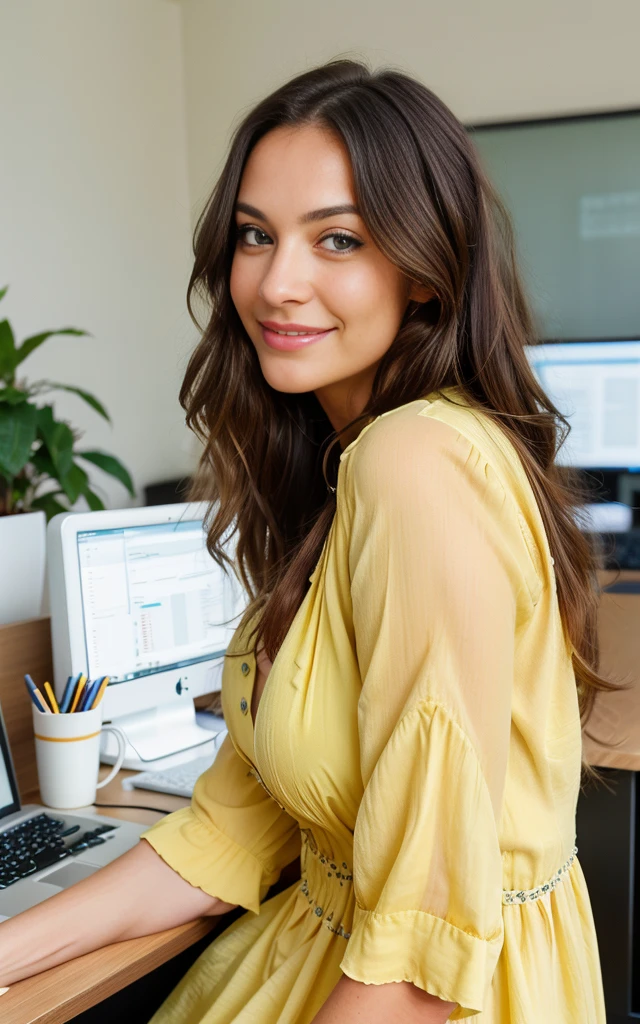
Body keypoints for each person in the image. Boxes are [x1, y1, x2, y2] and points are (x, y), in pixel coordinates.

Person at [0, 58, 609, 1023]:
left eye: (338, 239)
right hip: (326, 957)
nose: (278, 283)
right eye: (255, 235)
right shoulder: (343, 463)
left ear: (424, 267)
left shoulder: (413, 462)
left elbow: (420, 956)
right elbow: (229, 836)